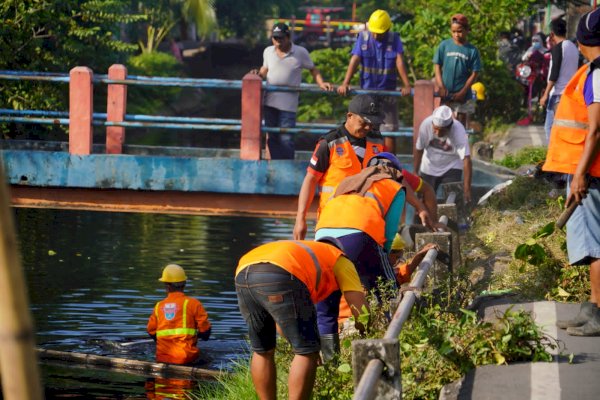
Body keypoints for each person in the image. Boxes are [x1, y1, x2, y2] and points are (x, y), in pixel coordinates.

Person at [235, 239, 368, 400]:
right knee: (306, 353)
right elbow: (360, 309)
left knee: (263, 350)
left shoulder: (305, 252)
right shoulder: (340, 258)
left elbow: (280, 320)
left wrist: (302, 344)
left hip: (243, 273)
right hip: (281, 272)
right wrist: (366, 332)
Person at [543, 8, 600, 337]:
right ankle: (591, 305)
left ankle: (596, 312)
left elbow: (595, 131)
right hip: (589, 169)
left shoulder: (597, 74)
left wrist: (580, 175)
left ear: (583, 41)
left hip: (592, 172)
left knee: (594, 245)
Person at [293, 94, 386, 240]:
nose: (368, 127)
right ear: (350, 116)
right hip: (332, 222)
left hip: (365, 222)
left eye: (372, 123)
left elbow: (390, 177)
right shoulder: (330, 143)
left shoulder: (378, 142)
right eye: (364, 122)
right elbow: (310, 179)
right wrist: (300, 218)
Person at [251, 22, 333, 159]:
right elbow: (265, 69)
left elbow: (313, 69)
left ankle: (287, 168)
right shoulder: (268, 51)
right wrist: (258, 75)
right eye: (275, 38)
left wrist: (321, 83)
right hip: (269, 102)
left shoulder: (300, 52)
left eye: (281, 38)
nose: (278, 41)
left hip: (288, 105)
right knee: (272, 137)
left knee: (286, 139)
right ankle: (276, 168)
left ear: (288, 37)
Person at [337, 9, 412, 152]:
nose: (376, 34)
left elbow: (399, 61)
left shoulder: (394, 39)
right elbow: (355, 60)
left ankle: (390, 164)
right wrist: (345, 82)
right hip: (367, 94)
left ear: (388, 29)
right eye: (374, 31)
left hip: (388, 94)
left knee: (390, 132)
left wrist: (406, 85)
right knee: (363, 130)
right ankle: (365, 163)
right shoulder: (363, 38)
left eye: (380, 31)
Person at [147, 264, 211, 364]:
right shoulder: (193, 304)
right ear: (184, 284)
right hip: (187, 358)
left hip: (162, 358)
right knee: (207, 359)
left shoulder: (158, 306)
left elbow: (151, 332)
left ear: (167, 286)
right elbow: (205, 333)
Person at [414, 105, 472, 204]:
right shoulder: (426, 125)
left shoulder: (458, 130)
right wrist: (415, 171)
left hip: (452, 166)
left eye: (442, 130)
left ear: (449, 128)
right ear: (432, 123)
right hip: (429, 166)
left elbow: (466, 160)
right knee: (423, 201)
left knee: (452, 200)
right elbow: (419, 149)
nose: (437, 133)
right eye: (435, 129)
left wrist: (467, 188)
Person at [433, 13, 482, 127]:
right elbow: (437, 66)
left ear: (466, 30)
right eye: (453, 31)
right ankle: (444, 145)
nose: (456, 34)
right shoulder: (444, 45)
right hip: (445, 93)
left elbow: (475, 73)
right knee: (443, 122)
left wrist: (463, 91)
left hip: (463, 95)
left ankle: (458, 144)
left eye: (459, 31)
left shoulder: (472, 50)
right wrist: (441, 87)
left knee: (460, 125)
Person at [539, 18, 580, 142]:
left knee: (551, 128)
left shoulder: (558, 48)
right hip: (570, 94)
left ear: (552, 34)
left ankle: (553, 157)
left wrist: (545, 94)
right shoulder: (573, 47)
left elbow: (554, 73)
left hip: (558, 95)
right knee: (561, 128)